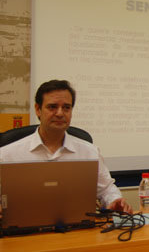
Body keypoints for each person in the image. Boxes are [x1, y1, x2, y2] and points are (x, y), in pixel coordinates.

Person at [0, 80, 132, 213]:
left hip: (79, 229)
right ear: (38, 109)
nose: (60, 113)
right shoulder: (7, 155)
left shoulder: (89, 152)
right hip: (22, 231)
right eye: (52, 107)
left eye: (66, 107)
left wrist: (115, 201)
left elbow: (106, 190)